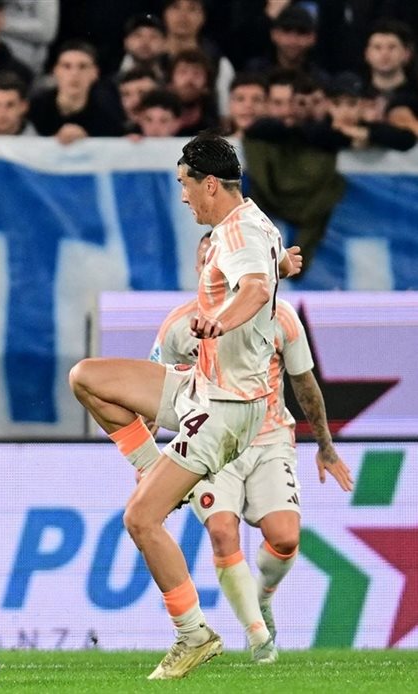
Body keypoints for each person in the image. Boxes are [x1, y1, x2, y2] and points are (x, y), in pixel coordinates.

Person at [68, 133, 303, 680]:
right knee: (87, 377)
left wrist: (220, 320)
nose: (182, 196)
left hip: (229, 407)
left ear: (210, 184)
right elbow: (263, 272)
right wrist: (282, 268)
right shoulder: (252, 223)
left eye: (184, 184)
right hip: (201, 385)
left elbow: (252, 288)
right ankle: (154, 470)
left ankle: (193, 633)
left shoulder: (239, 230)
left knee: (139, 518)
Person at [150, 232, 353, 664]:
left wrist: (326, 447)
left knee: (285, 538)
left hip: (269, 439)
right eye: (209, 264)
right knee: (222, 532)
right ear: (200, 271)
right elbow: (152, 391)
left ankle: (262, 597)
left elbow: (304, 384)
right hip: (209, 443)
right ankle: (259, 638)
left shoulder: (280, 317)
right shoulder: (177, 327)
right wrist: (146, 458)